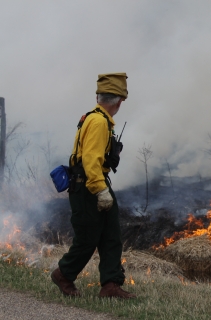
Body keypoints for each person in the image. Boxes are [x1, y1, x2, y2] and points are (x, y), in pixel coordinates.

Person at [51, 73, 135, 299]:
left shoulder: (96, 117)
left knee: (111, 235)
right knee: (88, 238)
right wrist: (101, 191)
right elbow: (90, 161)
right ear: (118, 101)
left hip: (92, 184)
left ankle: (110, 285)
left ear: (99, 97)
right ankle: (63, 274)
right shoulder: (98, 122)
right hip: (89, 187)